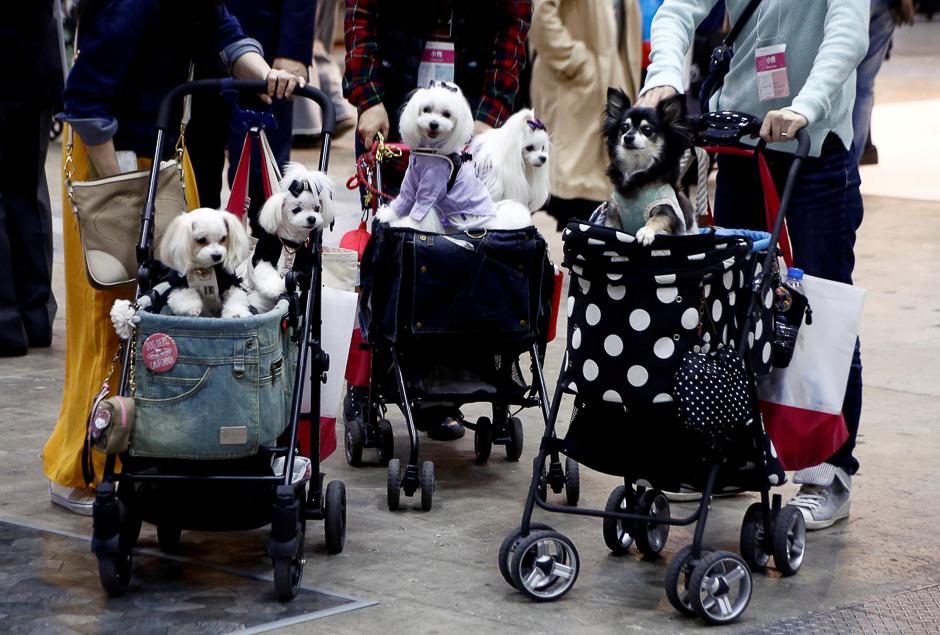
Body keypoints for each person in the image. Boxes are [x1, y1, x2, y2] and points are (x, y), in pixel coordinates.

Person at [43, 0, 306, 515]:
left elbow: (228, 37)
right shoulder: (134, 4)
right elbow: (87, 101)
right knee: (112, 313)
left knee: (160, 303)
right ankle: (85, 466)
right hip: (114, 169)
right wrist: (123, 189)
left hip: (161, 156)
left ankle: (140, 448)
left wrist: (267, 74)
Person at [636, 0, 868, 529]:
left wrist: (805, 106)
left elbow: (847, 34)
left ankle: (828, 469)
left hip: (814, 144)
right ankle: (735, 453)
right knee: (731, 303)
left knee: (822, 310)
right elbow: (676, 10)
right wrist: (665, 77)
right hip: (741, 141)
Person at [342, 0, 533, 440]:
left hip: (472, 93)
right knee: (382, 252)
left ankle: (442, 391)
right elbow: (360, 11)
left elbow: (513, 28)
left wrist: (488, 117)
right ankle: (366, 380)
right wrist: (367, 96)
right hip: (392, 94)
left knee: (463, 259)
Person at [187, 0, 315, 235]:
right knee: (197, 166)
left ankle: (268, 254)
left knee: (261, 173)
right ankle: (207, 252)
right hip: (193, 50)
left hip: (261, 49)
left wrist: (293, 48)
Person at [529, 0, 644, 231]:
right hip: (575, 86)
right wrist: (576, 60)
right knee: (579, 199)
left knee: (599, 200)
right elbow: (541, 14)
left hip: (605, 84)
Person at [0, 1, 62, 357]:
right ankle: (34, 318)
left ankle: (6, 324)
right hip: (35, 60)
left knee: (19, 194)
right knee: (26, 192)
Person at [853, 0, 915, 165]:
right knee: (864, 89)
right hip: (885, 5)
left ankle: (847, 162)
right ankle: (852, 165)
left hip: (853, 6)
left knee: (849, 84)